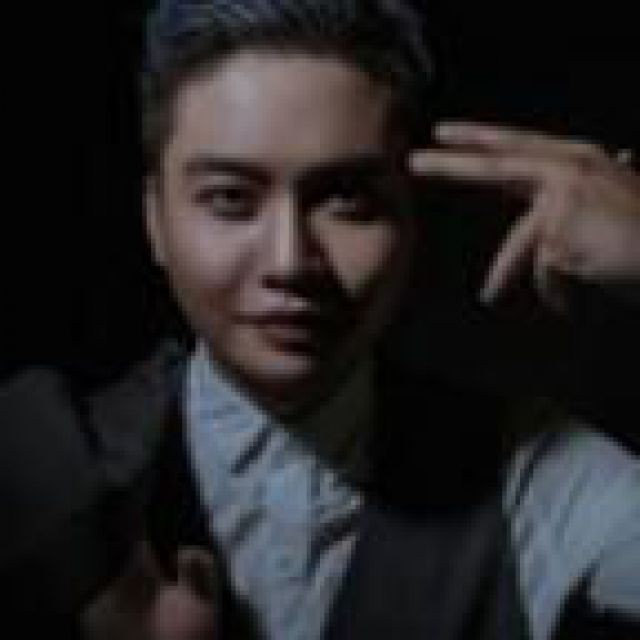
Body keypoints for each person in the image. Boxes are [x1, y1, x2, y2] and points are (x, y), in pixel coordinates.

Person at [2, 1, 639, 638]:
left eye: (348, 201)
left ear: (412, 217)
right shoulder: (41, 472)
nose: (289, 263)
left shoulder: (539, 476)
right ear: (155, 220)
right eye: (230, 199)